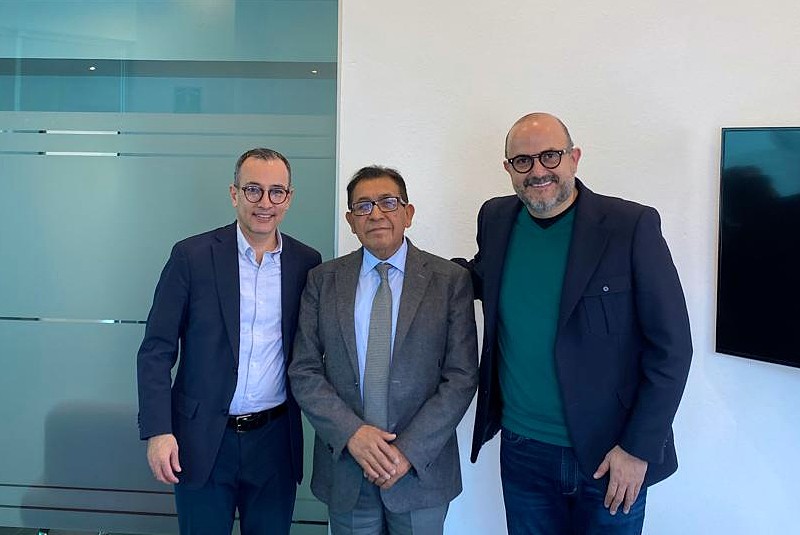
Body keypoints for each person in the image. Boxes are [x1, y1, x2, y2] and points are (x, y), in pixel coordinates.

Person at [456, 113, 692, 534]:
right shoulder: (495, 217)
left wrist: (638, 449)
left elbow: (672, 349)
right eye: (523, 161)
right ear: (508, 168)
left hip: (611, 455)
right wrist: (412, 267)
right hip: (523, 449)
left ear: (574, 157)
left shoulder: (630, 226)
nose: (538, 171)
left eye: (550, 156)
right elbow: (480, 274)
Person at [136, 148, 321, 535]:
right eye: (253, 189)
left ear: (289, 198)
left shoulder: (306, 263)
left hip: (274, 443)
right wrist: (158, 430)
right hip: (202, 439)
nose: (265, 203)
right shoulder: (191, 256)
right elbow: (156, 350)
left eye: (276, 191)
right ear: (234, 194)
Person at [288, 166, 478, 535]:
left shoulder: (450, 282)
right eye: (363, 206)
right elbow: (304, 370)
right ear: (351, 221)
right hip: (347, 467)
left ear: (408, 213)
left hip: (420, 471)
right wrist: (352, 434)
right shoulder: (323, 280)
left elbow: (461, 377)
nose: (375, 214)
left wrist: (407, 452)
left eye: (388, 203)